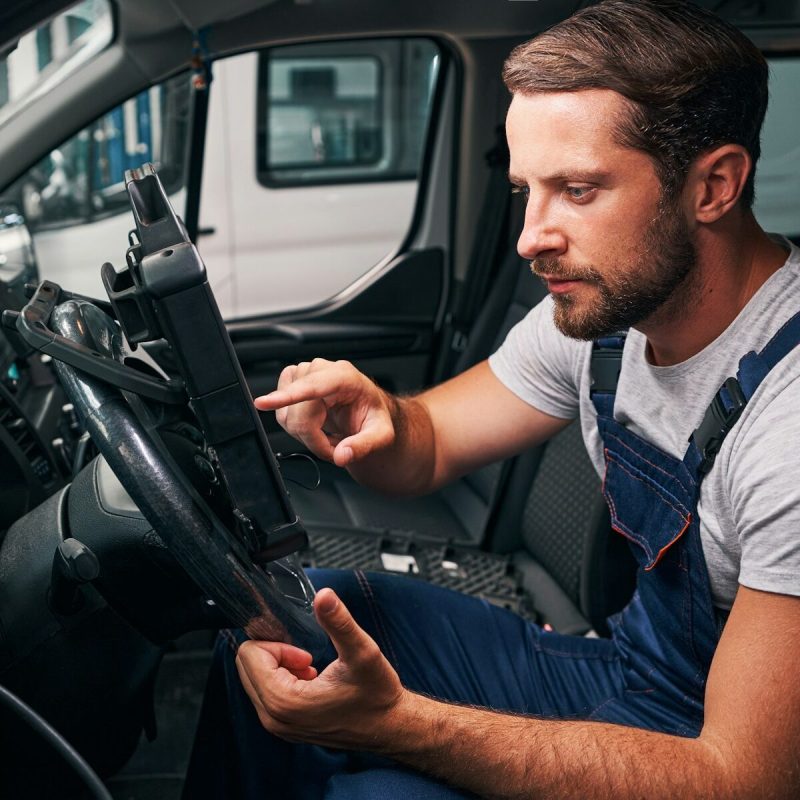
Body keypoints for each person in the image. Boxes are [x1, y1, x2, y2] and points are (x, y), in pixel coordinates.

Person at [183, 1, 800, 797]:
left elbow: (738, 779)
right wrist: (377, 419)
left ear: (714, 185)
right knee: (283, 632)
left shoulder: (785, 427)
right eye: (525, 191)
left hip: (707, 744)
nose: (529, 237)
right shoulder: (597, 323)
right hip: (627, 670)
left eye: (577, 190)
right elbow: (431, 441)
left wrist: (401, 727)